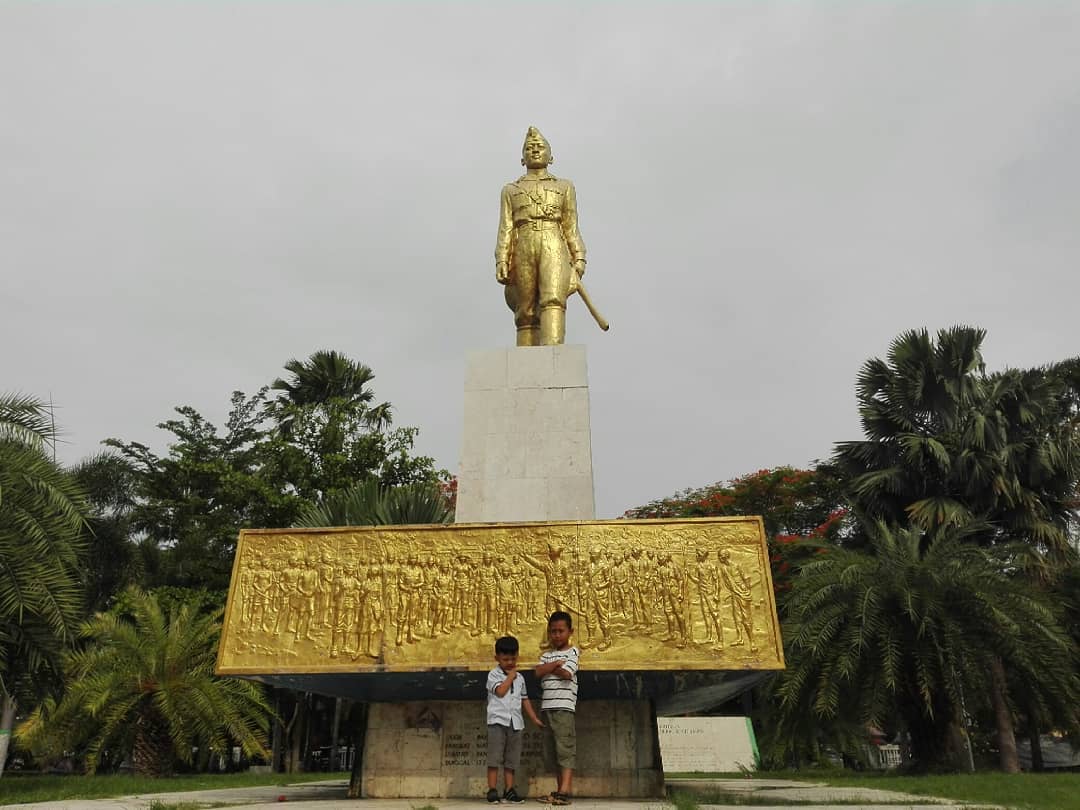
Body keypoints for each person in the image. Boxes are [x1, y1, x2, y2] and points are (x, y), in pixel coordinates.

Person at [495, 127, 587, 347]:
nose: (535, 150)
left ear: (551, 156)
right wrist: (501, 259)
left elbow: (571, 227)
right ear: (521, 158)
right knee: (525, 309)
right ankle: (526, 360)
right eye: (529, 148)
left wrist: (579, 261)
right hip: (524, 244)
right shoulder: (510, 190)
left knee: (553, 299)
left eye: (540, 147)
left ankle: (553, 355)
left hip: (553, 240)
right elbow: (505, 228)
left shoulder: (564, 187)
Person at [486, 635, 542, 804]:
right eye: (505, 659)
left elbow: (524, 699)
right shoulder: (493, 675)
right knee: (495, 757)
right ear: (497, 658)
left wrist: (534, 718)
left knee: (512, 759)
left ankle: (509, 790)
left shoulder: (521, 679)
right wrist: (510, 677)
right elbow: (501, 691)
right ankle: (492, 789)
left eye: (513, 658)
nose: (510, 662)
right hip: (497, 721)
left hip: (515, 722)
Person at [534, 611, 580, 805]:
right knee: (552, 751)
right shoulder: (547, 656)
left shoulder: (573, 652)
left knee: (565, 749)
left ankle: (565, 791)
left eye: (561, 631)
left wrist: (551, 668)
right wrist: (554, 664)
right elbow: (538, 672)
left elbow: (567, 673)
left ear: (570, 631)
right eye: (553, 631)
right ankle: (560, 790)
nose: (557, 635)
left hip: (564, 707)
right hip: (547, 707)